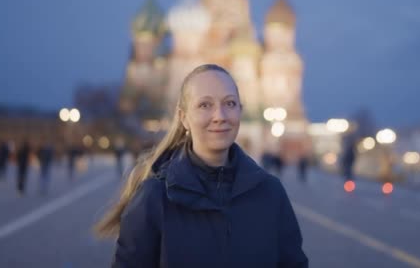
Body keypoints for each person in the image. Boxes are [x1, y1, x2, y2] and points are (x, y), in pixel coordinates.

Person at [95, 64, 308, 268]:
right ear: (183, 118)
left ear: (240, 112)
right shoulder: (155, 197)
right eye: (205, 105)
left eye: (230, 103)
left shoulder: (270, 193)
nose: (220, 116)